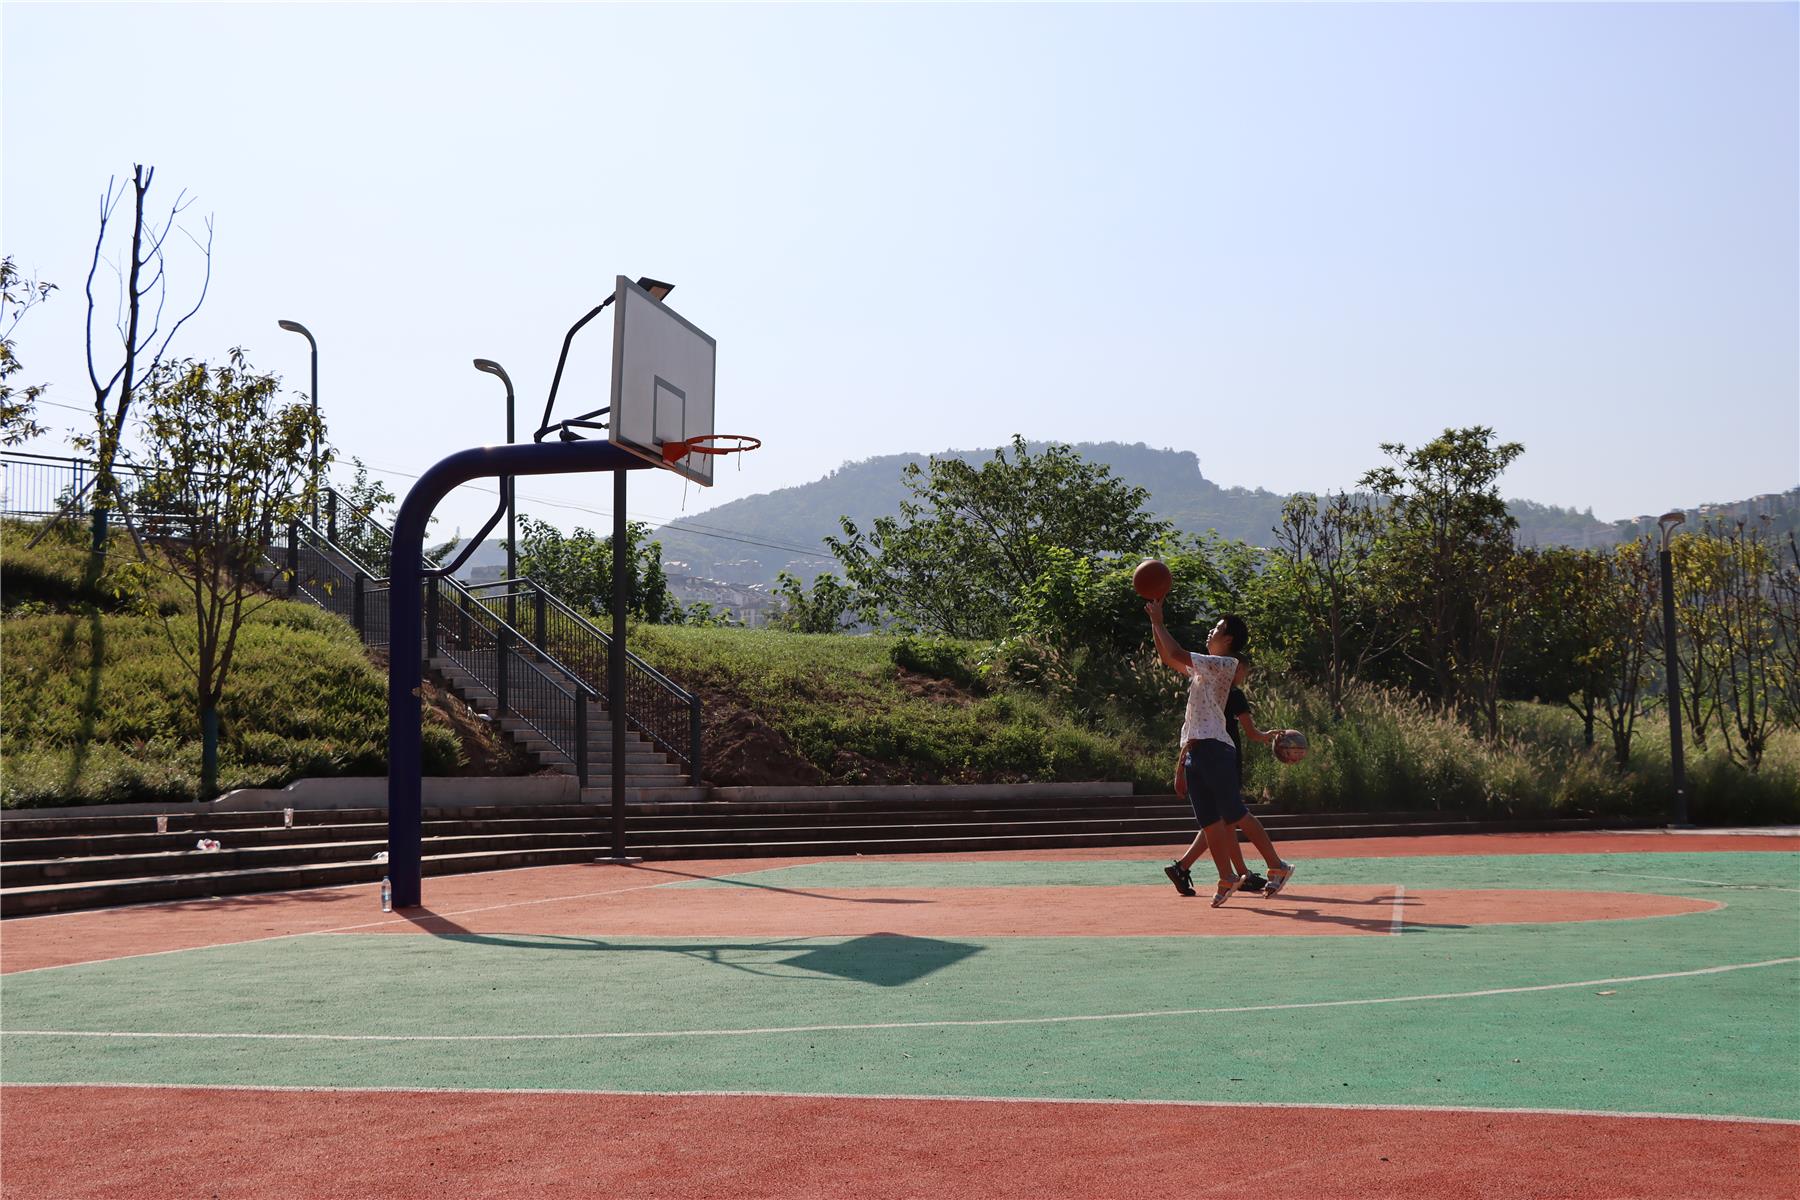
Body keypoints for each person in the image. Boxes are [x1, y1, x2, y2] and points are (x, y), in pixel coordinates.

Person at [1146, 604, 1297, 906]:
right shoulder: (1205, 668)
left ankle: (1277, 865)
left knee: (1235, 812)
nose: (1210, 632)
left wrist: (1161, 622)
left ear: (1228, 639)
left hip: (1216, 747)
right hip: (1195, 748)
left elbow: (1176, 652)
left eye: (1216, 629)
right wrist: (1154, 622)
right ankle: (1227, 876)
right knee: (1210, 822)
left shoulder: (1225, 663)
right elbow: (1167, 657)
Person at [1173, 657, 1286, 893]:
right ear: (1236, 668)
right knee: (1228, 817)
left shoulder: (1205, 688)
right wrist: (1267, 736)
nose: (1242, 675)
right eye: (1243, 670)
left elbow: (1192, 734)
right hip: (1223, 758)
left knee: (1220, 819)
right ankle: (1243, 871)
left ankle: (1202, 869)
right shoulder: (1233, 693)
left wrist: (1180, 768)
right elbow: (1252, 732)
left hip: (1202, 757)